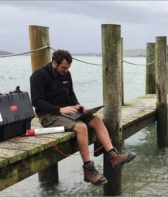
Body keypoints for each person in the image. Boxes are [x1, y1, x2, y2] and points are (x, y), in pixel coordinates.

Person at [30, 49, 136, 186]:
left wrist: (79, 106)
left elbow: (71, 94)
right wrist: (59, 109)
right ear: (54, 63)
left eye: (68, 68)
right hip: (48, 116)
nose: (66, 71)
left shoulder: (66, 74)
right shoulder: (38, 76)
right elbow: (36, 101)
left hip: (68, 112)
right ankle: (88, 170)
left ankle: (113, 156)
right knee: (81, 127)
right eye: (63, 68)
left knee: (96, 120)